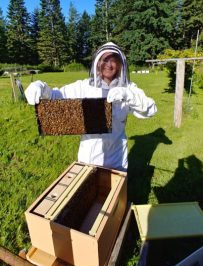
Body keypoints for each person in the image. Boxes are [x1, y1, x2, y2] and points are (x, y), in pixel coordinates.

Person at [25, 42, 157, 171]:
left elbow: (151, 110)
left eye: (113, 60)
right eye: (105, 60)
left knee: (117, 192)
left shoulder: (128, 88)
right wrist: (41, 87)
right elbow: (56, 96)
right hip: (89, 158)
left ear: (120, 64)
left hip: (118, 157)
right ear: (97, 63)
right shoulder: (84, 87)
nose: (109, 65)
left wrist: (128, 95)